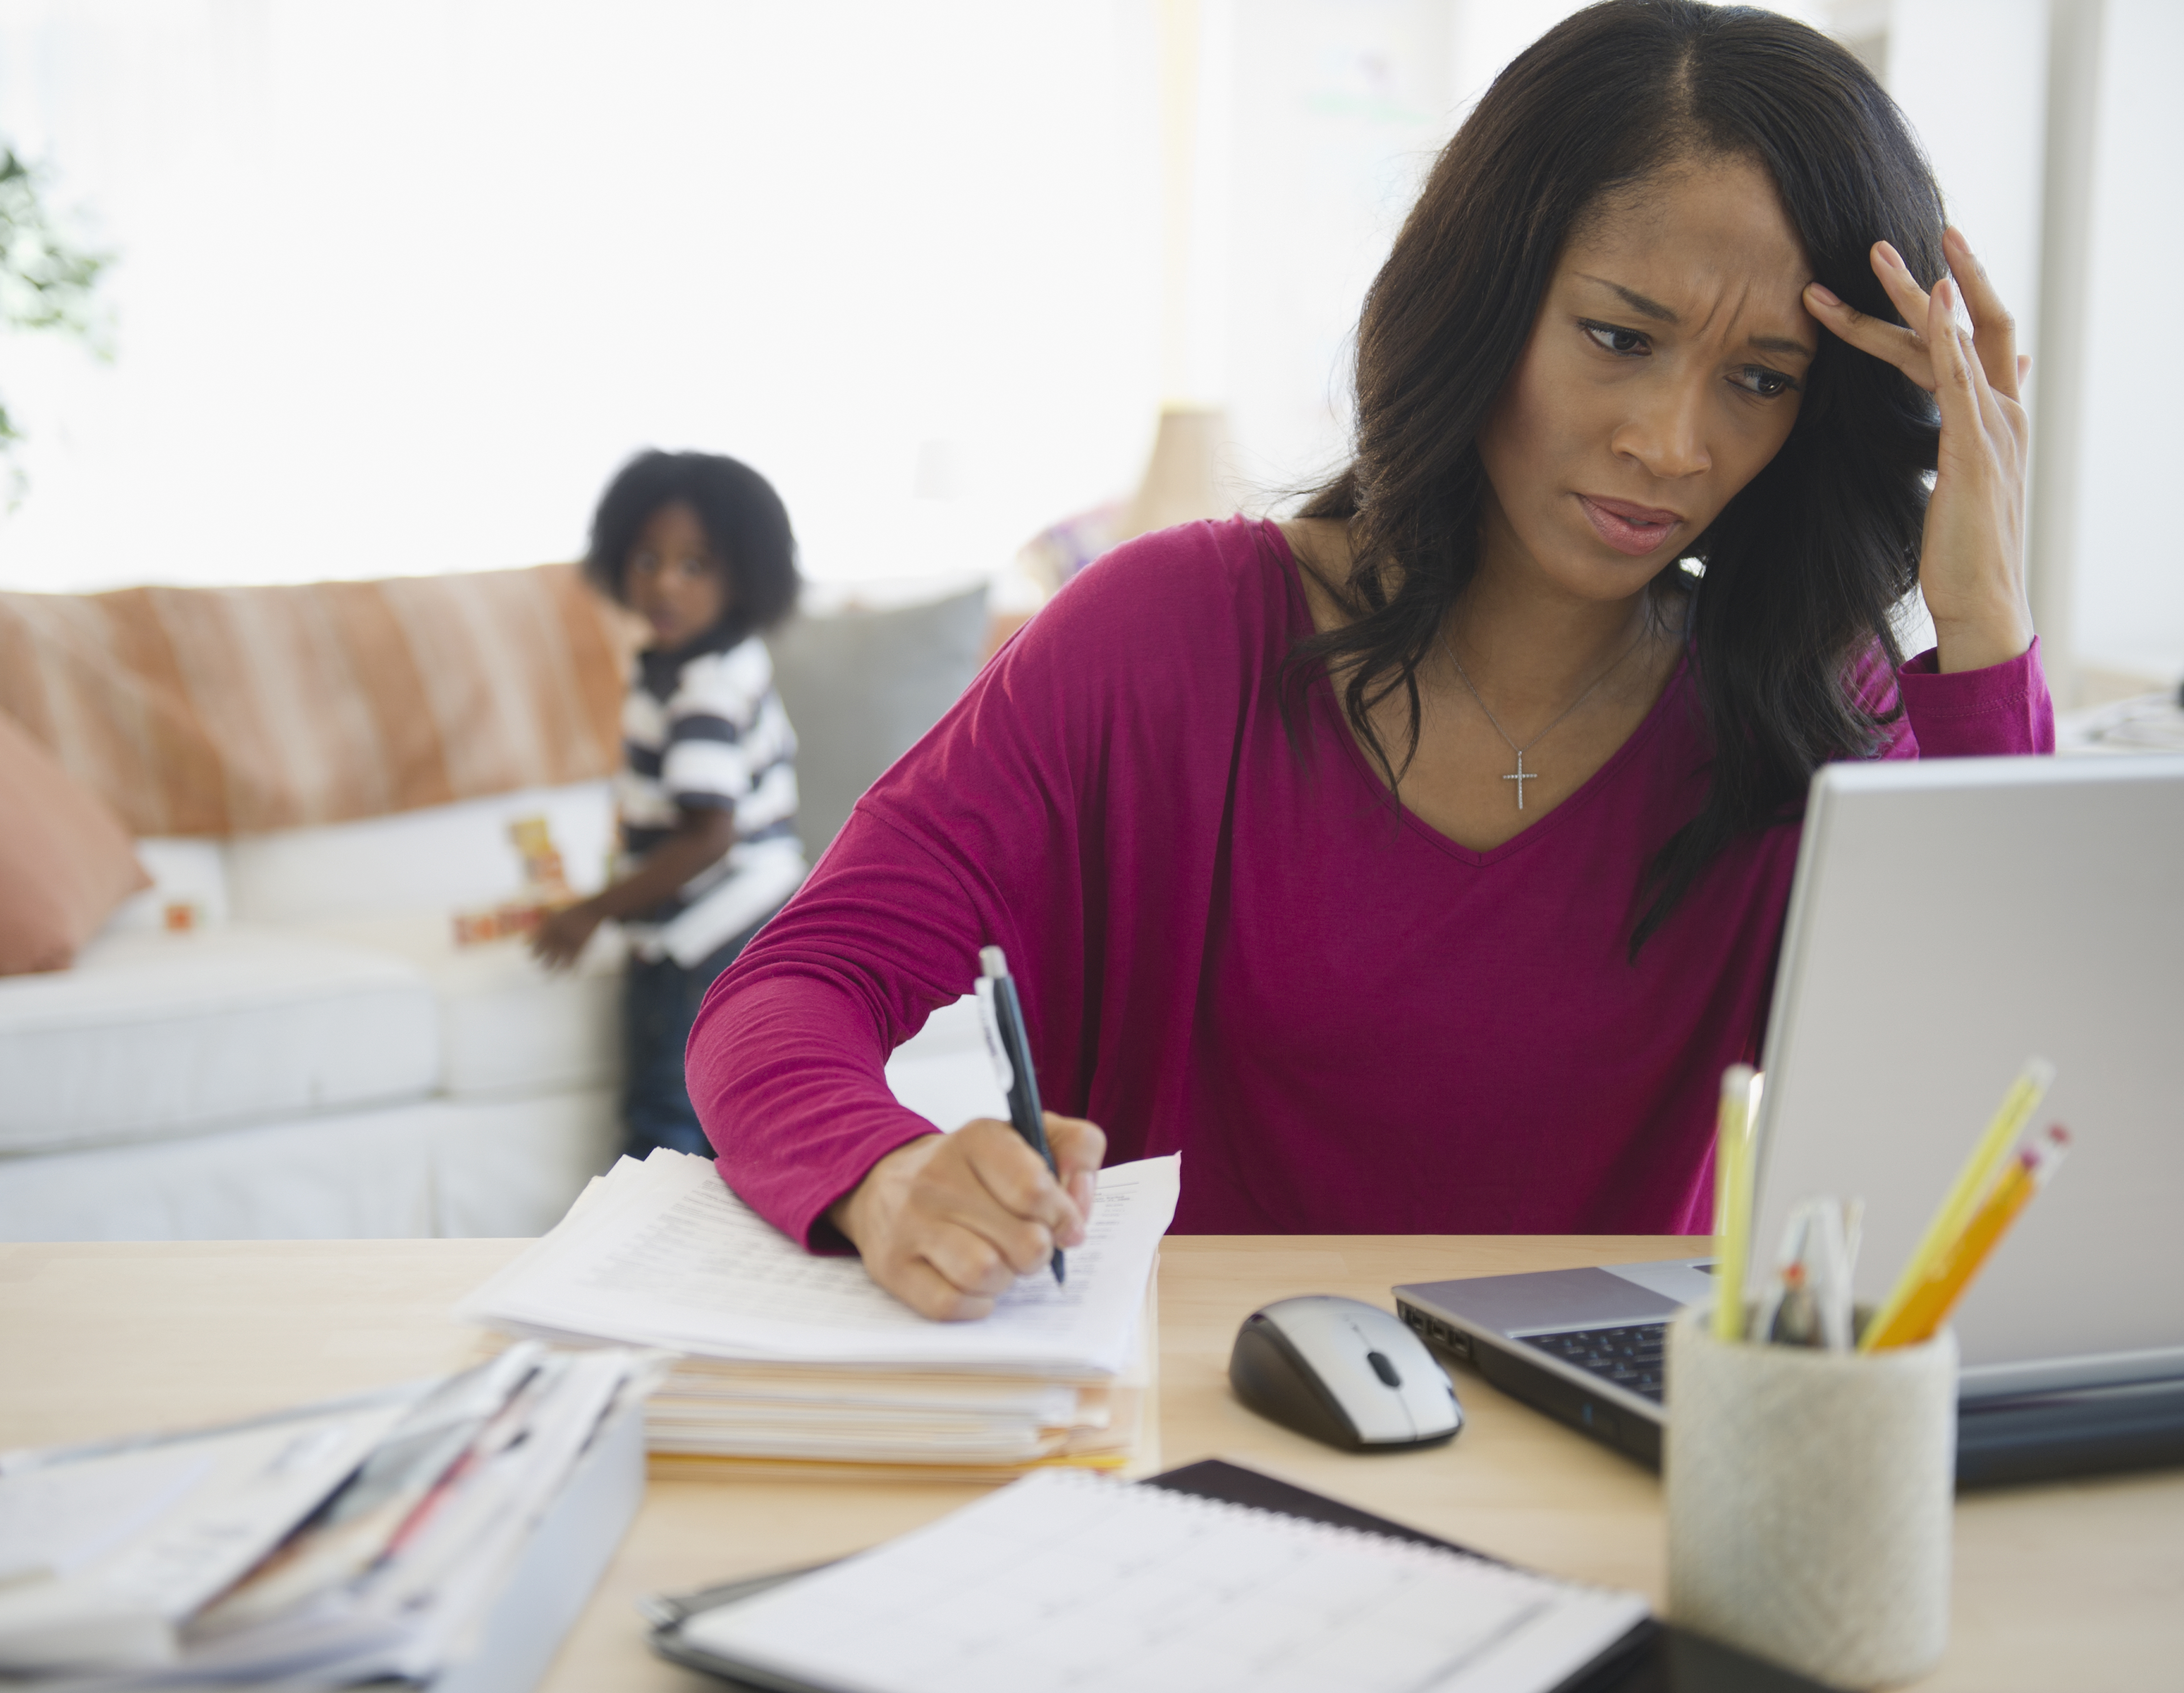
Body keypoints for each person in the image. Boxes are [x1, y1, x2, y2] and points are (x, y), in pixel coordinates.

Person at [690, 0, 2054, 1317]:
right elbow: (789, 989)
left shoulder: (1812, 711)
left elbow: (2009, 1115)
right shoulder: (1162, 636)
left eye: (1759, 378)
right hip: (1182, 1457)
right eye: (1618, 338)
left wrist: (1983, 614)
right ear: (1485, 298)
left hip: (1609, 1484)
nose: (1672, 441)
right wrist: (887, 1168)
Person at [533, 450, 805, 1159]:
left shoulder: (703, 690)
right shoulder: (707, 662)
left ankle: (647, 1253)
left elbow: (708, 835)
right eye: (647, 559)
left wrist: (595, 908)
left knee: (667, 1118)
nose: (664, 585)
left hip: (705, 938)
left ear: (744, 572)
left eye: (695, 565)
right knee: (727, 1110)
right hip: (760, 913)